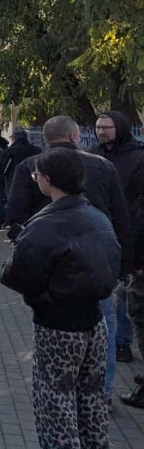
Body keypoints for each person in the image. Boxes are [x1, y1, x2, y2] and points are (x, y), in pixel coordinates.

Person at [8, 115, 134, 407]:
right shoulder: (103, 165)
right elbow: (121, 217)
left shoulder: (32, 167)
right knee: (105, 325)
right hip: (100, 264)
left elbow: (14, 218)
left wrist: (28, 261)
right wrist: (123, 265)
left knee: (56, 337)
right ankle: (100, 393)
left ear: (45, 139)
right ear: (76, 136)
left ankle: (63, 396)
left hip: (53, 273)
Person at [1, 148, 119, 448]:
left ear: (47, 180)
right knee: (90, 397)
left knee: (55, 400)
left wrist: (45, 294)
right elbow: (112, 261)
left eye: (36, 175)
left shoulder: (46, 224)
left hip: (58, 326)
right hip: (96, 320)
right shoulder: (96, 216)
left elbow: (17, 274)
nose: (35, 179)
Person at [93, 112, 144, 399]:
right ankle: (121, 345)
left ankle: (123, 344)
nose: (101, 132)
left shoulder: (137, 156)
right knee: (121, 301)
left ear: (120, 128)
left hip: (132, 236)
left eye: (106, 128)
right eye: (98, 128)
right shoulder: (93, 156)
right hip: (103, 236)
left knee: (130, 300)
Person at [1, 129, 42, 194]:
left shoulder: (9, 151)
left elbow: (2, 168)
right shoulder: (36, 150)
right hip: (34, 181)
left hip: (14, 181)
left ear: (14, 138)